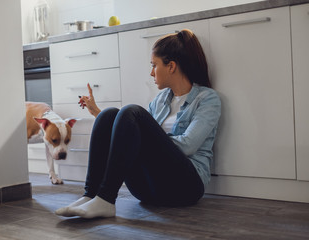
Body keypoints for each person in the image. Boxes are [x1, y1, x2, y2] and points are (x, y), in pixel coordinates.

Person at [55, 29, 221, 219]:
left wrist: (148, 140)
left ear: (171, 66)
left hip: (185, 188)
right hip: (148, 190)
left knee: (131, 112)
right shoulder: (160, 101)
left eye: (154, 65)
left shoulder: (207, 99)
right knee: (108, 115)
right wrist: (97, 114)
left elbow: (188, 145)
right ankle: (91, 195)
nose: (151, 72)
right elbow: (133, 133)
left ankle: (106, 199)